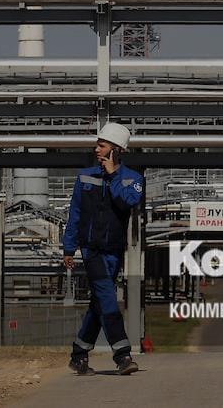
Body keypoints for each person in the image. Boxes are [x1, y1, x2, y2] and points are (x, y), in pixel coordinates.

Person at [63, 122, 144, 376]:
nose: (96, 149)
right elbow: (75, 213)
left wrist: (112, 175)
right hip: (92, 251)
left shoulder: (133, 179)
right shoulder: (85, 176)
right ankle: (123, 355)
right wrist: (69, 247)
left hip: (114, 251)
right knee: (108, 299)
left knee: (99, 302)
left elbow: (128, 202)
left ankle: (78, 355)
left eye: (101, 145)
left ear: (116, 150)